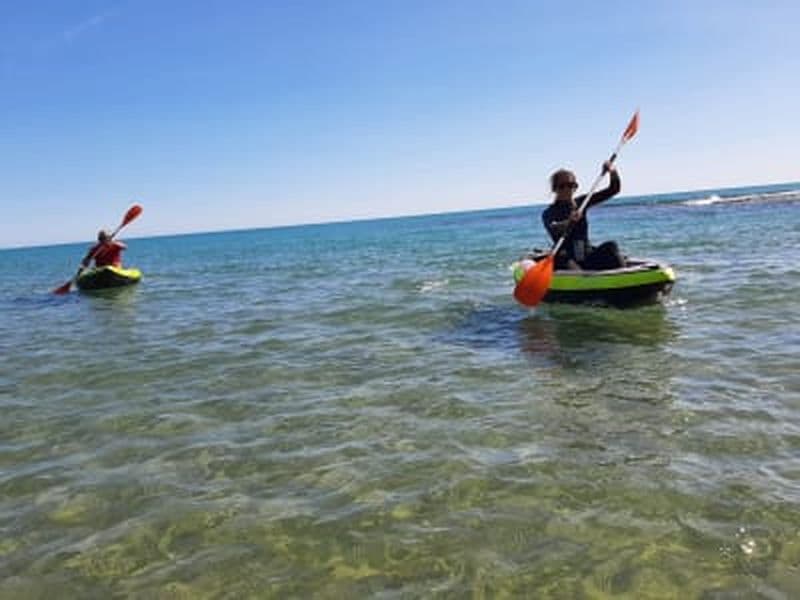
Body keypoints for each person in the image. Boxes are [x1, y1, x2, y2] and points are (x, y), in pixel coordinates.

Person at [541, 161, 626, 271]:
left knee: (611, 246)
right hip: (567, 259)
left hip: (586, 257)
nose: (568, 189)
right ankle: (581, 278)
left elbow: (614, 189)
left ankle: (624, 277)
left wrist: (612, 171)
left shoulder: (582, 202)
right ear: (554, 189)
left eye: (571, 185)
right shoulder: (549, 212)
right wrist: (569, 221)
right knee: (560, 257)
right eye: (562, 186)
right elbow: (554, 228)